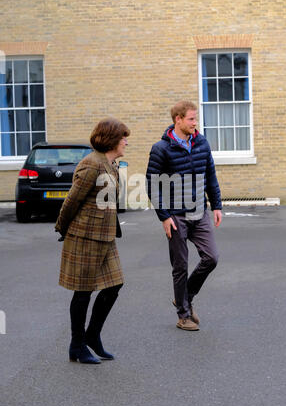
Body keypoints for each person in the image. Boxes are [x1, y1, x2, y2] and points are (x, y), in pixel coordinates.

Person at [55, 118, 130, 363]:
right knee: (83, 292)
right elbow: (72, 200)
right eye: (123, 137)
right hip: (85, 236)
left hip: (105, 237)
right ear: (111, 139)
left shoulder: (110, 164)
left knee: (114, 285)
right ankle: (77, 346)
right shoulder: (91, 164)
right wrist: (62, 227)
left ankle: (92, 336)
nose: (126, 141)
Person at [146, 101, 222, 331]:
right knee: (180, 266)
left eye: (195, 118)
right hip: (176, 215)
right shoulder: (161, 148)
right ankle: (184, 315)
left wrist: (217, 205)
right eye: (191, 119)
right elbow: (152, 184)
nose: (194, 123)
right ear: (177, 120)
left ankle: (185, 297)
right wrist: (164, 216)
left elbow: (210, 174)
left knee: (211, 258)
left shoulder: (201, 142)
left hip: (199, 211)